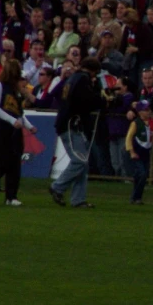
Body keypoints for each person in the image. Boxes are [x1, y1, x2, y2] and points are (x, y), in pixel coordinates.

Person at [49, 57, 107, 208]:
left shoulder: (73, 78)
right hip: (70, 124)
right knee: (80, 161)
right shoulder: (83, 79)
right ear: (93, 71)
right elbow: (86, 101)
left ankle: (78, 199)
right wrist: (102, 99)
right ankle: (57, 187)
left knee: (83, 163)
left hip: (68, 122)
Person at [0, 59, 37, 206]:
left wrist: (29, 126)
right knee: (0, 164)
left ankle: (11, 197)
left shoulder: (16, 91)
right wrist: (12, 121)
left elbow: (19, 113)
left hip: (15, 132)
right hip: (0, 130)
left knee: (15, 164)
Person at [126, 99, 153, 205]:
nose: (148, 112)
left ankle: (135, 197)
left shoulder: (152, 123)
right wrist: (131, 151)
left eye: (149, 109)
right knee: (142, 174)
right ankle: (136, 197)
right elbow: (129, 138)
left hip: (146, 153)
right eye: (146, 110)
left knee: (140, 176)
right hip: (136, 152)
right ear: (140, 112)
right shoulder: (136, 123)